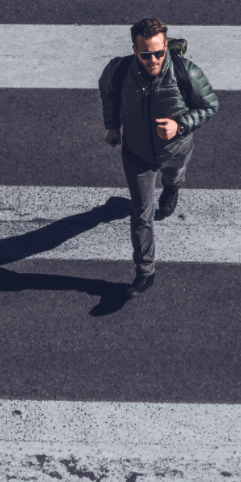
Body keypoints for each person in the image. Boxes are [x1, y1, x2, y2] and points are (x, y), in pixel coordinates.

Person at [99, 18, 219, 297]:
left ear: (166, 46)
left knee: (174, 176)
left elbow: (210, 105)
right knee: (141, 213)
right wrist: (112, 126)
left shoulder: (185, 72)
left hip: (175, 151)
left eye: (158, 52)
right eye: (145, 54)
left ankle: (173, 186)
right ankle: (144, 272)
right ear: (134, 49)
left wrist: (181, 125)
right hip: (136, 153)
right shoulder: (118, 71)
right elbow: (108, 93)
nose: (153, 60)